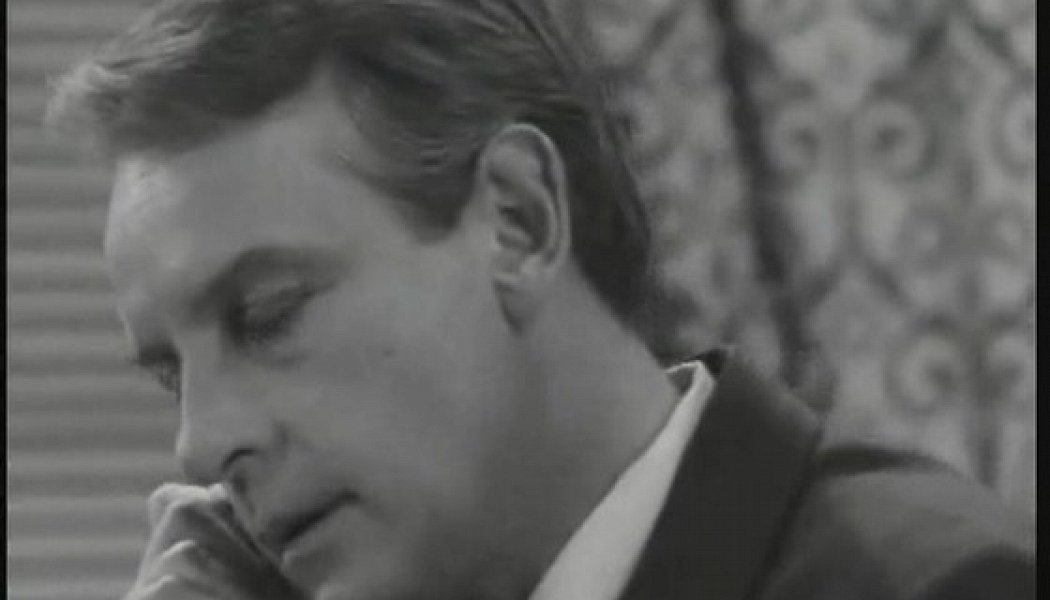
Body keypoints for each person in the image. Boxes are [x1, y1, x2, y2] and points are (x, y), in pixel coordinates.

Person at [45, 0, 1034, 599]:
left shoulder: (935, 586)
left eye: (267, 315)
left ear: (518, 220)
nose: (201, 448)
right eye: (171, 373)